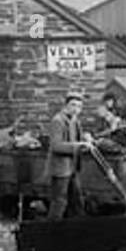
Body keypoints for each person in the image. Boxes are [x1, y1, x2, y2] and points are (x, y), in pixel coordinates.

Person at [48, 90, 94, 220]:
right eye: (73, 105)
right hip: (61, 169)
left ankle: (76, 230)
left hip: (72, 167)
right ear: (66, 105)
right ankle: (51, 231)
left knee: (77, 200)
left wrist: (86, 137)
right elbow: (56, 146)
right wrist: (79, 146)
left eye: (79, 106)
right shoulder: (58, 121)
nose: (76, 109)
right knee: (60, 201)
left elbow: (78, 137)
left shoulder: (75, 121)